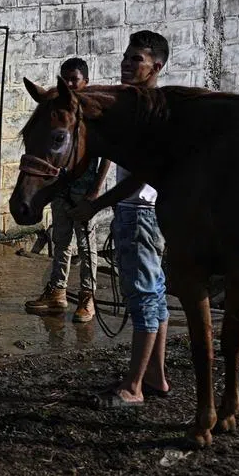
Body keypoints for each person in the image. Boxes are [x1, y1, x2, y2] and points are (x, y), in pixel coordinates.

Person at [69, 31, 171, 408]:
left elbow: (142, 174)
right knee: (156, 295)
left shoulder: (148, 112)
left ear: (155, 67)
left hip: (139, 213)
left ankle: (133, 388)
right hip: (144, 212)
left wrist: (96, 205)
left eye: (137, 60)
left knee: (143, 299)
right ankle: (156, 377)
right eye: (127, 58)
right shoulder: (143, 105)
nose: (128, 64)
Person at [25, 58, 111, 323]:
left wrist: (96, 191)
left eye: (74, 79)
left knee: (86, 246)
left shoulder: (93, 114)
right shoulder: (59, 112)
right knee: (61, 242)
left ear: (85, 80)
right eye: (65, 79)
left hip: (84, 190)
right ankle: (57, 292)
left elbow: (107, 154)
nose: (70, 84)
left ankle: (87, 296)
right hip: (62, 189)